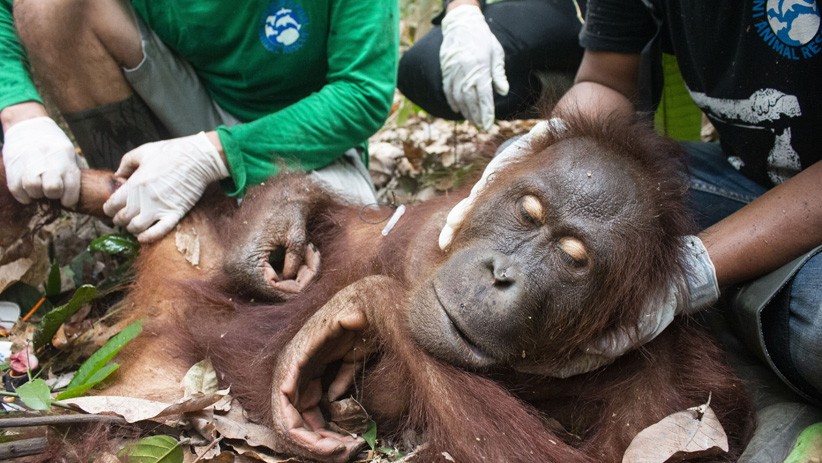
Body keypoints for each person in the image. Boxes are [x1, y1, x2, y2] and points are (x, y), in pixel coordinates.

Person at [443, 0, 821, 457]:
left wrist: (696, 270)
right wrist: (552, 138)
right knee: (549, 191)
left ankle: (738, 354)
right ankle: (743, 325)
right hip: (741, 178)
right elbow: (604, 79)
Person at [0, 0, 399, 251]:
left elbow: (361, 93)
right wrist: (21, 114)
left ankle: (200, 229)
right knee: (48, 6)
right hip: (182, 99)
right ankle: (132, 210)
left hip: (303, 137)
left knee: (337, 252)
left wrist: (213, 154)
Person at [397, 0, 585, 130]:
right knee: (426, 66)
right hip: (568, 12)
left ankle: (598, 100)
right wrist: (462, 10)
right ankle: (563, 94)